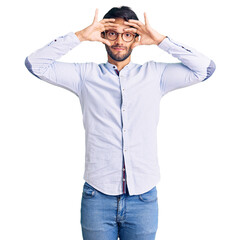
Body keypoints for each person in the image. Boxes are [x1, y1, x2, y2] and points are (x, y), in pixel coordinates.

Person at [24, 6, 216, 240]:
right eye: (112, 33)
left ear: (136, 38)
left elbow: (205, 69)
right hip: (97, 197)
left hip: (143, 199)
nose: (119, 41)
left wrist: (159, 41)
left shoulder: (155, 75)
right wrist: (82, 36)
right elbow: (35, 64)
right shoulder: (85, 76)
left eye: (127, 34)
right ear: (104, 36)